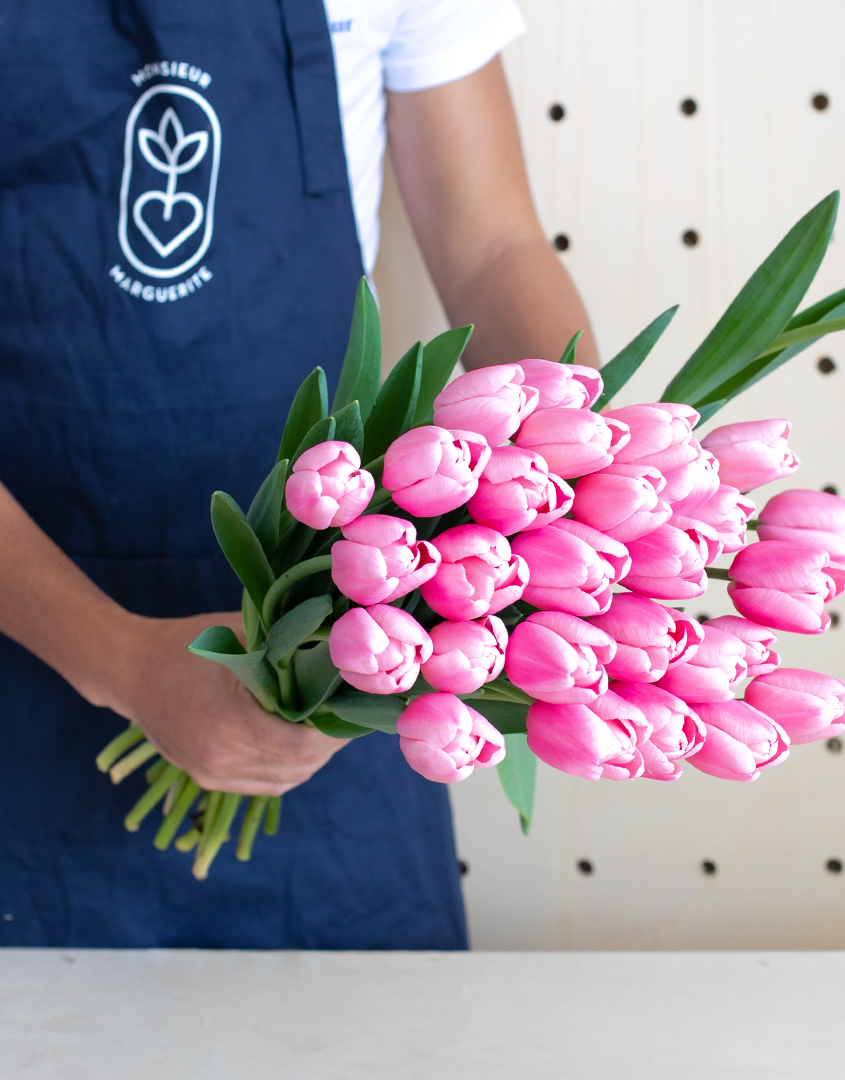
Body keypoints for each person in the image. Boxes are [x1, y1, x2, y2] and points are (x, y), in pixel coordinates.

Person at [0, 0, 597, 948]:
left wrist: (578, 489)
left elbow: (493, 250)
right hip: (23, 637)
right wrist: (121, 662)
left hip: (335, 647)